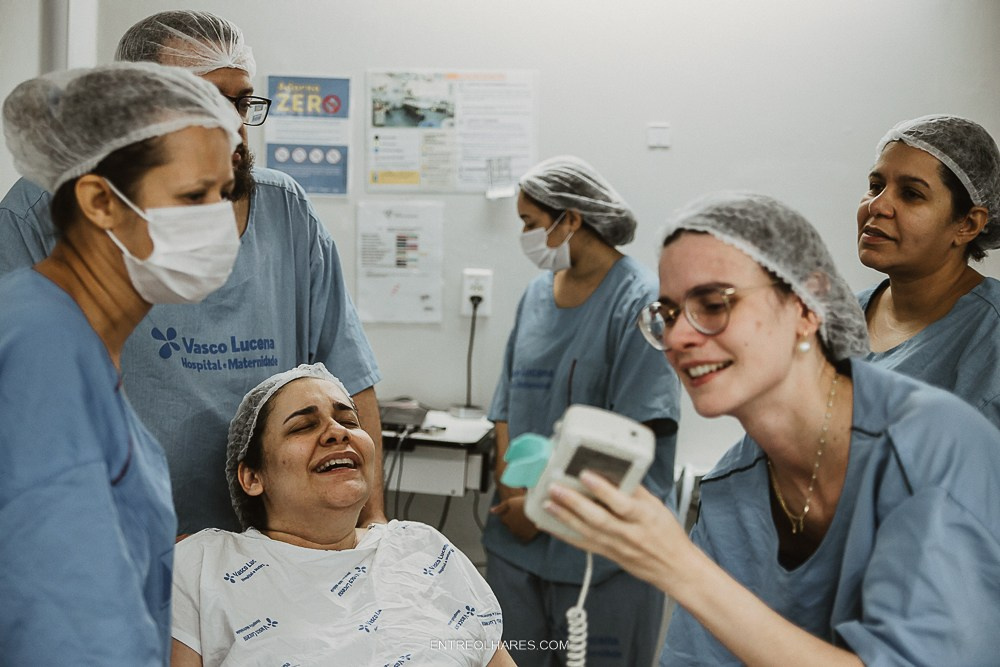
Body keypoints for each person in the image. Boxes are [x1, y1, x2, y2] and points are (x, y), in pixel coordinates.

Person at [541, 191, 1000, 665]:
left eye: (714, 303)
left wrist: (676, 563)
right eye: (669, 315)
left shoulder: (932, 450)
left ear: (805, 306)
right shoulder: (732, 489)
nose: (677, 337)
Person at [0, 11, 385, 535]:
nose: (231, 125)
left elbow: (350, 379)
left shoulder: (283, 211)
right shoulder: (45, 213)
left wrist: (370, 519)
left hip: (269, 545)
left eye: (241, 101)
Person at [0, 62, 244, 664]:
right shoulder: (42, 353)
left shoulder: (71, 336)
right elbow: (64, 625)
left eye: (224, 193)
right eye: (192, 196)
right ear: (100, 202)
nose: (219, 219)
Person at [170, 363, 515, 667]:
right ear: (252, 477)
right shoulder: (203, 567)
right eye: (302, 426)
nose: (339, 431)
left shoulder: (423, 548)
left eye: (348, 419)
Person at [485, 155, 681, 666]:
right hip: (518, 541)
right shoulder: (535, 296)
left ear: (570, 219)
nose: (525, 235)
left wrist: (542, 512)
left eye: (531, 223)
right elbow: (507, 403)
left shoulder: (641, 303)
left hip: (600, 551)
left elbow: (634, 435)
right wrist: (516, 495)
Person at [856, 114, 1000, 428]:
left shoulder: (990, 335)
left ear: (968, 224)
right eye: (875, 186)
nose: (878, 206)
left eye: (911, 194)